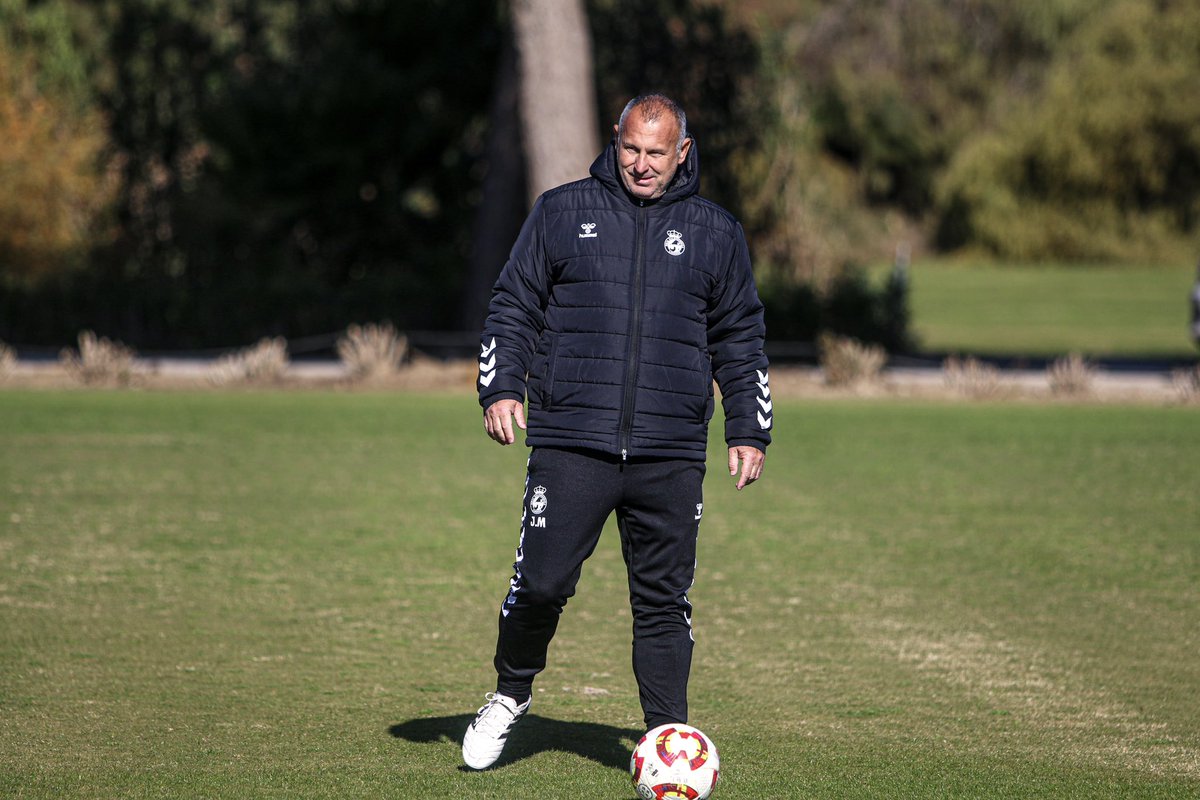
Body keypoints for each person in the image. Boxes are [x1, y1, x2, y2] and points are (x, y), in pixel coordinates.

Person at [462, 93, 771, 770]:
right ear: (616, 140)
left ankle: (669, 739)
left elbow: (740, 337)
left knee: (663, 600)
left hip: (670, 450)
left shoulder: (716, 232)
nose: (641, 164)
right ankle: (510, 696)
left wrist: (748, 429)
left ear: (682, 152)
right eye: (631, 148)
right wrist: (502, 386)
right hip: (573, 440)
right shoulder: (563, 211)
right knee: (539, 584)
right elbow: (513, 303)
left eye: (656, 153)